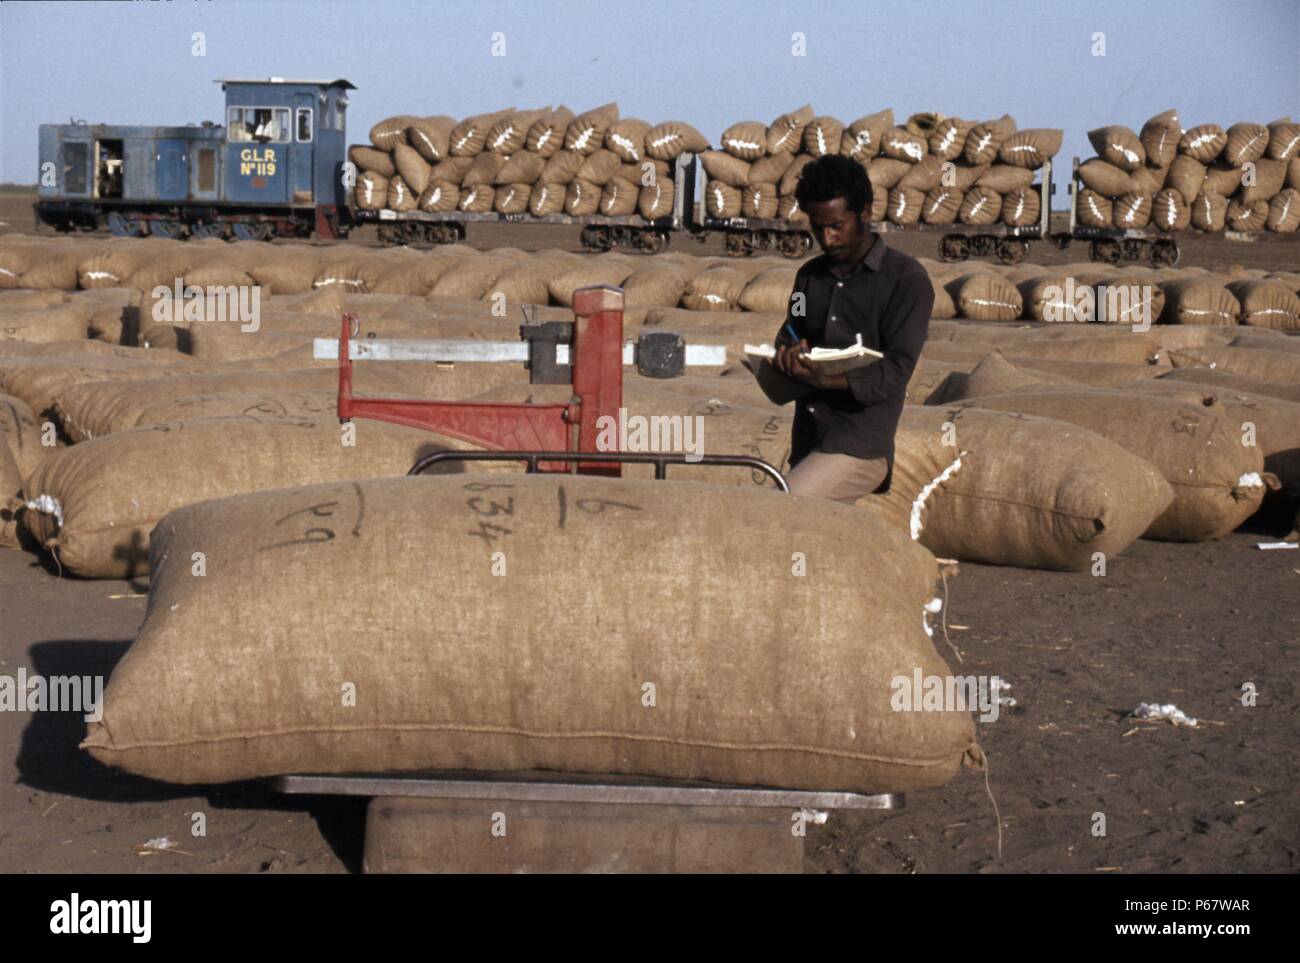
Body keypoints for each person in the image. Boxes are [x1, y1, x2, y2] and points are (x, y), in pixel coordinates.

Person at [770, 154, 934, 503]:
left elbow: (896, 371)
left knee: (781, 507)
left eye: (836, 226)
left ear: (865, 213)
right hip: (809, 440)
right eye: (818, 228)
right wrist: (787, 352)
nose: (827, 239)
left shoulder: (906, 281)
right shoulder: (807, 278)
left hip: (859, 444)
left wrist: (826, 380)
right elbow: (791, 329)